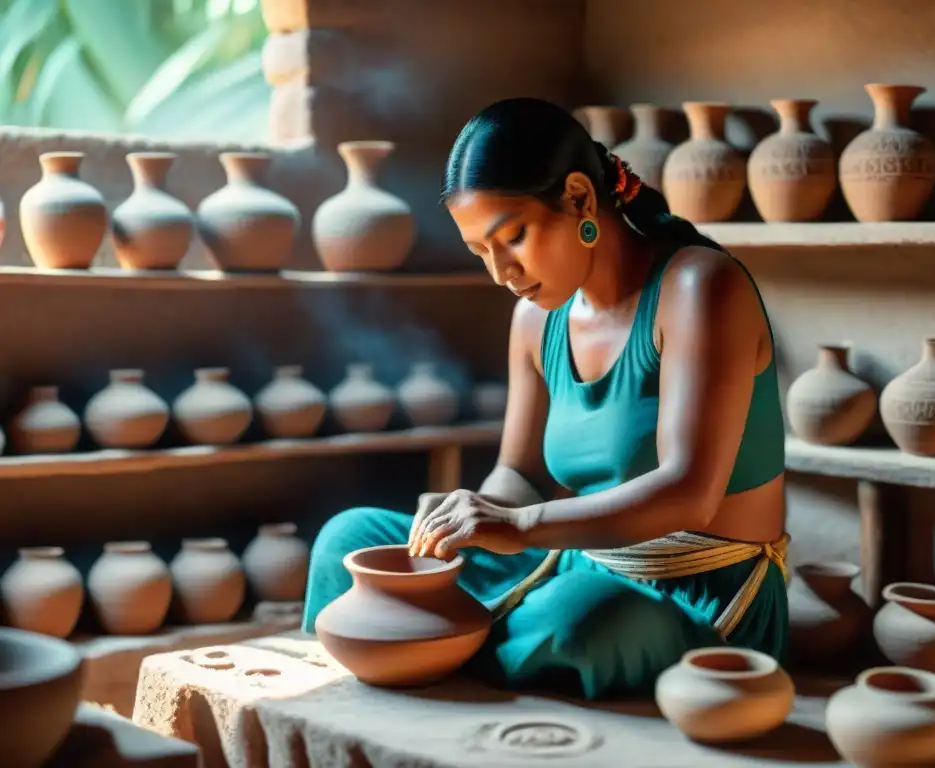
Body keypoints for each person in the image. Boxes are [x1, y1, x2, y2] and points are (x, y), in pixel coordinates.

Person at [302, 97, 788, 701]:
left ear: (581, 199)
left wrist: (521, 525)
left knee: (572, 623)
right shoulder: (535, 319)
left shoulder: (701, 287)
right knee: (347, 540)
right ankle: (443, 649)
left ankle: (426, 651)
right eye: (481, 252)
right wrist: (470, 514)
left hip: (696, 594)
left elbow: (690, 493)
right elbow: (521, 473)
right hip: (571, 564)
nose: (501, 272)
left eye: (513, 238)